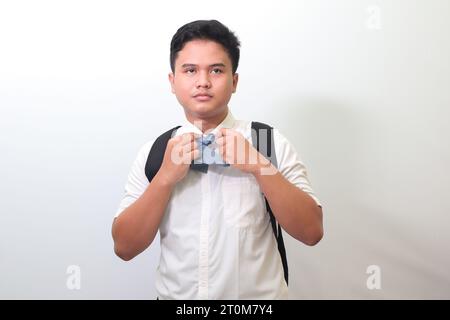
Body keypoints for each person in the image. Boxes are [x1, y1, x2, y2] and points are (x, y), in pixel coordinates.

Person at [112, 19, 323, 300]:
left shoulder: (268, 142)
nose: (203, 81)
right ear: (172, 82)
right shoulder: (155, 152)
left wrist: (259, 166)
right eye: (190, 70)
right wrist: (164, 178)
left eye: (216, 70)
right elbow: (124, 248)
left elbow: (311, 231)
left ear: (234, 81)